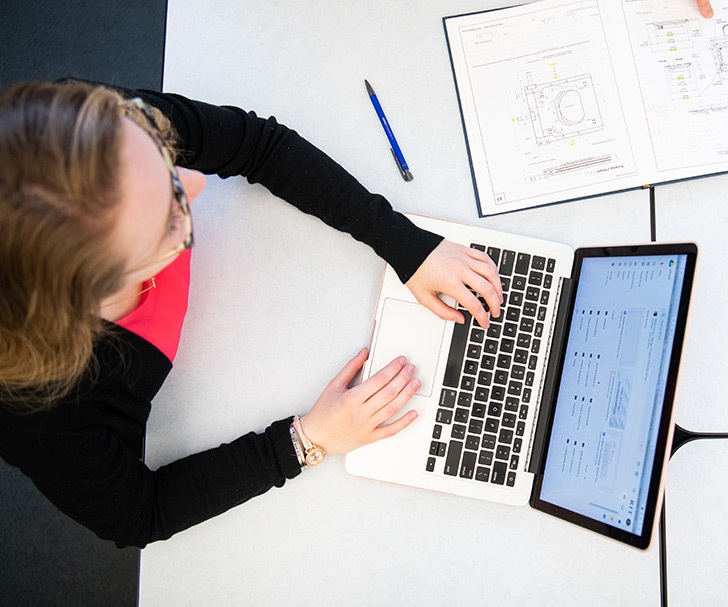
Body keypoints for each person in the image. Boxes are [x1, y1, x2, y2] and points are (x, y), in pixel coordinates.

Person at [0, 80, 503, 548]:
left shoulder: (90, 132)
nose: (194, 186)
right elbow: (139, 514)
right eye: (167, 212)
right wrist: (305, 440)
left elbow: (257, 145)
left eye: (166, 165)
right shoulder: (43, 416)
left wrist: (404, 243)